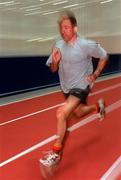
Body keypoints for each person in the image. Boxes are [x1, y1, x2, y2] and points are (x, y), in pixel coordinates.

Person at [40, 11, 108, 167]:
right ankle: (97, 107)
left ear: (75, 29)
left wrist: (96, 73)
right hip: (66, 87)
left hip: (82, 85)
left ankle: (55, 153)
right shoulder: (57, 45)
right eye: (61, 28)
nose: (63, 31)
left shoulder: (85, 45)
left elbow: (104, 56)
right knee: (76, 112)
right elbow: (53, 69)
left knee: (61, 113)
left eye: (67, 27)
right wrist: (56, 62)